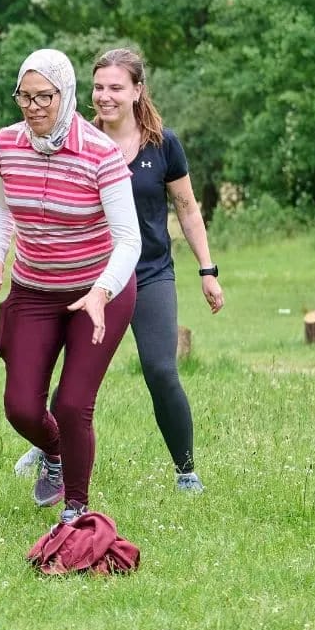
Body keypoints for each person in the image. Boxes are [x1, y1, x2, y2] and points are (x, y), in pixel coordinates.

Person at [0, 48, 140, 525]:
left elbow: (129, 238)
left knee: (72, 403)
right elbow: (0, 208)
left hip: (98, 293)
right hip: (33, 289)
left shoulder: (99, 151)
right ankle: (52, 452)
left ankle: (76, 507)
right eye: (24, 97)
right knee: (20, 407)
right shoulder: (8, 144)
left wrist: (102, 290)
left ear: (65, 94)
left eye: (43, 97)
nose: (33, 107)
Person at [90, 46, 223, 492]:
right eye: (98, 87)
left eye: (115, 87)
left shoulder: (163, 144)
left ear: (137, 90)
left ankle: (186, 471)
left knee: (162, 371)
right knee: (78, 373)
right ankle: (49, 448)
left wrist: (208, 269)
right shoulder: (83, 143)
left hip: (150, 274)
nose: (105, 96)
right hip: (98, 278)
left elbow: (186, 209)